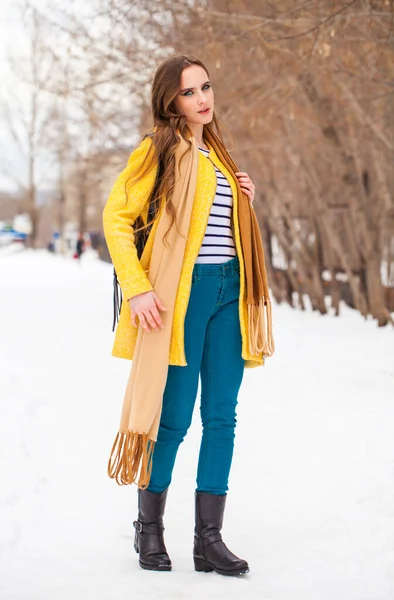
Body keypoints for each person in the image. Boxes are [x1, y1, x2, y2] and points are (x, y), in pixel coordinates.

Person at [102, 54, 275, 577]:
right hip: (183, 295)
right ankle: (148, 530)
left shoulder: (218, 155)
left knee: (222, 416)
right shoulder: (159, 149)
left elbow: (219, 226)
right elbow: (116, 216)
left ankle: (208, 540)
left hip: (229, 291)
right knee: (172, 419)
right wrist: (136, 288)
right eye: (189, 91)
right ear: (170, 101)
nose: (203, 98)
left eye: (206, 87)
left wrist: (245, 200)